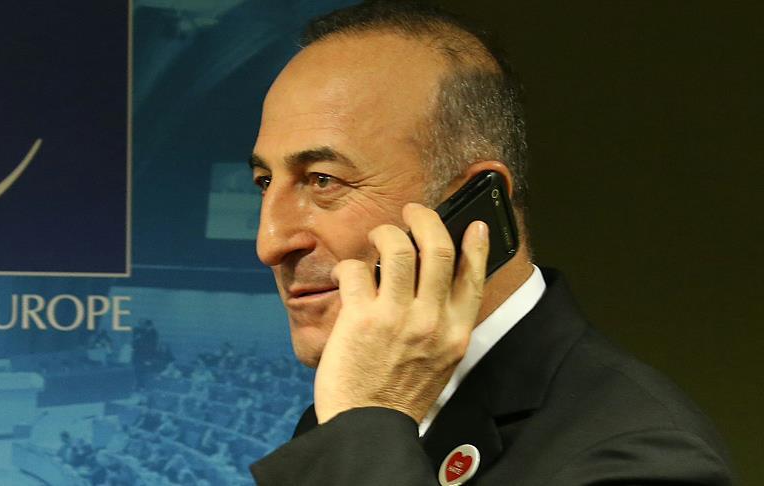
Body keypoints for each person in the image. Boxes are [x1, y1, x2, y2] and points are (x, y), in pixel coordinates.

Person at [246, 1, 735, 485]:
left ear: (473, 206)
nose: (270, 244)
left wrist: (365, 428)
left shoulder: (643, 457)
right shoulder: (350, 414)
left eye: (323, 180)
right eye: (265, 182)